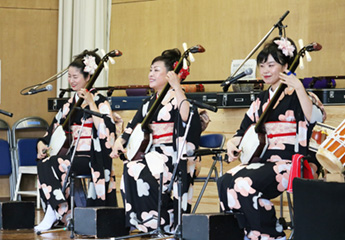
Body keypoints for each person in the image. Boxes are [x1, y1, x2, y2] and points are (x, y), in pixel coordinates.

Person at [217, 37, 326, 240]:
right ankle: (245, 234)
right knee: (224, 181)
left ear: (285, 66)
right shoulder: (260, 101)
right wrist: (233, 143)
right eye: (262, 66)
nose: (265, 70)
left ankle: (271, 235)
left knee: (243, 183)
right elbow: (242, 131)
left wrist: (300, 88)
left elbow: (313, 118)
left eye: (271, 65)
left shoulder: (302, 95)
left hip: (291, 162)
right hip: (264, 162)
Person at [110, 48, 202, 233]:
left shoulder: (179, 98)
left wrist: (177, 87)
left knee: (139, 168)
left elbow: (187, 119)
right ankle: (148, 223)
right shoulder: (147, 104)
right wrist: (120, 141)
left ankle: (163, 221)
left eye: (156, 70)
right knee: (130, 168)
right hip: (153, 154)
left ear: (170, 75)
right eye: (150, 70)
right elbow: (131, 127)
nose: (151, 74)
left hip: (173, 155)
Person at [35, 50, 117, 232]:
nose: (71, 81)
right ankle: (59, 210)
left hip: (92, 157)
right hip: (72, 156)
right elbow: (51, 132)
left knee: (51, 164)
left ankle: (55, 210)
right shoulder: (68, 105)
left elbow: (107, 132)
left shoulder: (101, 102)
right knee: (44, 161)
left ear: (88, 77)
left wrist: (91, 104)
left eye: (75, 77)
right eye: (69, 77)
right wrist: (41, 144)